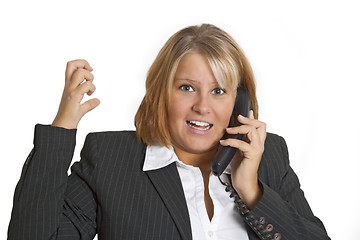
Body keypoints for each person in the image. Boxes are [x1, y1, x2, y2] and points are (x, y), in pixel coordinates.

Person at [8, 24, 330, 240]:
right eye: (187, 88)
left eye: (219, 91)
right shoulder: (110, 160)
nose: (203, 107)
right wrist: (62, 128)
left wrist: (250, 189)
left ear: (239, 101)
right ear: (162, 92)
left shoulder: (267, 156)